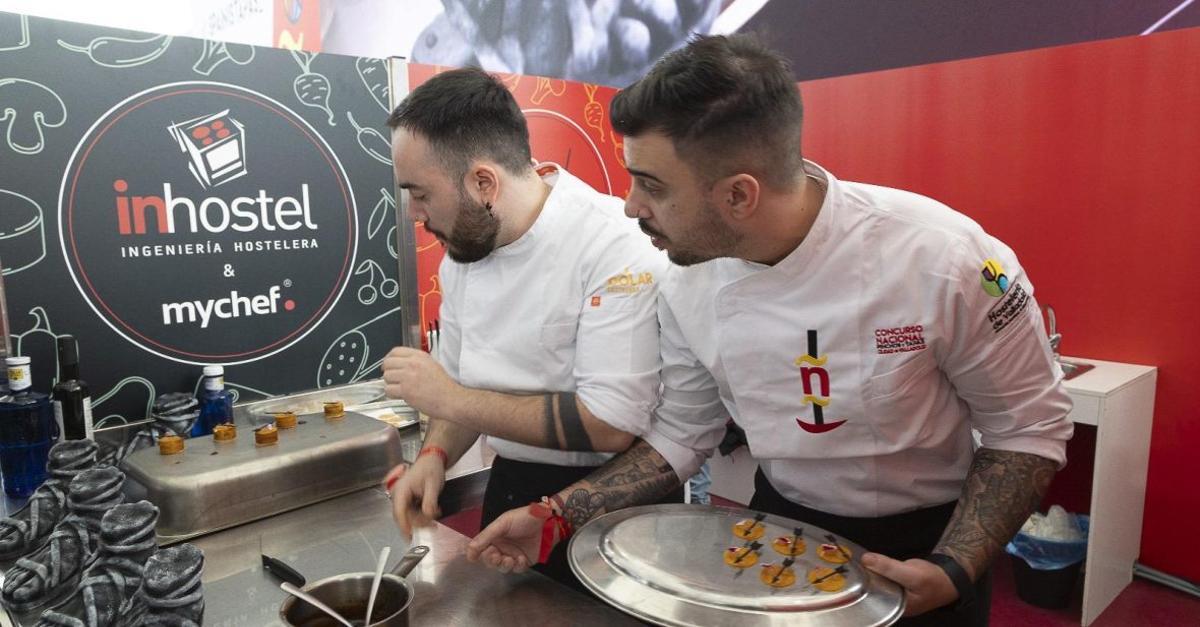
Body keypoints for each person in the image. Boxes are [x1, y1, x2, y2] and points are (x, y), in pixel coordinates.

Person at [465, 34, 1074, 626]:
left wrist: (956, 566)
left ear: (739, 195)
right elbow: (682, 433)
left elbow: (1028, 426)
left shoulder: (945, 258)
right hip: (777, 531)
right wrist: (557, 512)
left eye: (651, 185)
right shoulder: (682, 278)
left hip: (930, 542)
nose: (630, 206)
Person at [380, 68, 672, 587]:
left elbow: (609, 424)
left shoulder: (612, 244)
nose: (412, 213)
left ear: (483, 183)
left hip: (612, 502)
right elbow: (464, 386)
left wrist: (448, 398)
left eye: (419, 193)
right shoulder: (464, 251)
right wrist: (434, 455)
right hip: (511, 489)